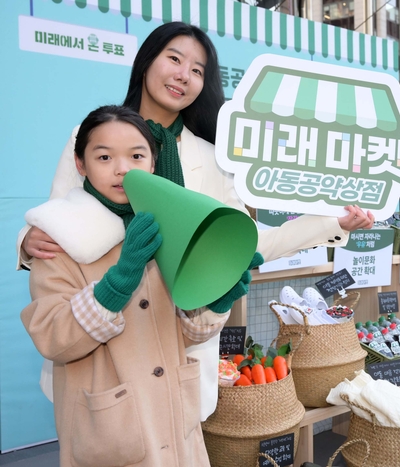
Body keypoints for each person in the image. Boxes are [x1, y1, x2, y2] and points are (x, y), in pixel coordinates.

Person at [16, 22, 373, 420]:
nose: (184, 74)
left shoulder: (214, 157)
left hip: (183, 338)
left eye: (198, 70)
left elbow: (246, 242)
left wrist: (332, 223)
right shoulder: (92, 134)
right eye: (174, 58)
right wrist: (27, 241)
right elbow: (58, 218)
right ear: (146, 61)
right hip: (100, 347)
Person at [22, 105, 251, 466]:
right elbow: (51, 337)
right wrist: (116, 284)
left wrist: (217, 301)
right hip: (111, 435)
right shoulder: (59, 235)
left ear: (153, 164)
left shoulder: (169, 228)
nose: (121, 168)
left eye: (136, 155)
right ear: (80, 164)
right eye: (103, 156)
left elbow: (185, 334)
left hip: (176, 428)